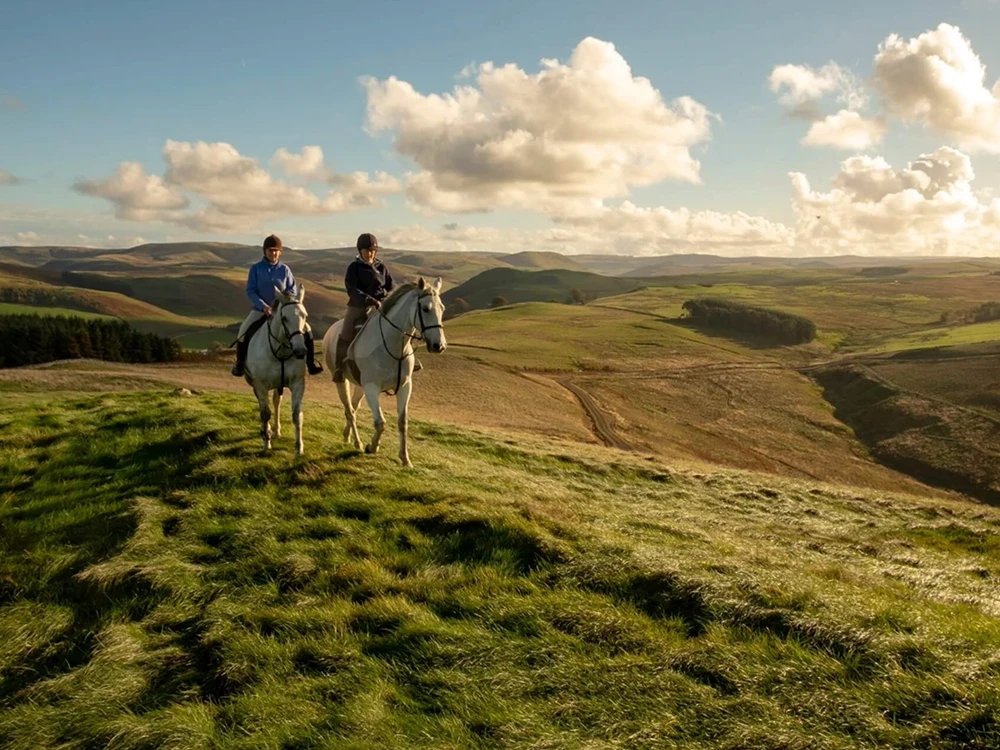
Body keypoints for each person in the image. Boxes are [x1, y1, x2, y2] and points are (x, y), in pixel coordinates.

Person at [231, 234, 323, 377]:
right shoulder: (256, 269)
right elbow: (251, 291)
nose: (273, 253)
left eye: (276, 250)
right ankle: (240, 363)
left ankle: (311, 363)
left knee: (307, 330)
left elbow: (292, 289)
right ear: (265, 251)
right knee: (243, 330)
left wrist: (285, 297)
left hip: (283, 310)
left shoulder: (285, 269)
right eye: (270, 250)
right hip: (261, 310)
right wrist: (263, 306)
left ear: (280, 252)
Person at [332, 232, 396, 383]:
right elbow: (352, 289)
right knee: (346, 332)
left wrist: (387, 298)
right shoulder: (354, 268)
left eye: (373, 251)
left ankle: (405, 361)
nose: (370, 253)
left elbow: (392, 286)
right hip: (358, 306)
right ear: (360, 251)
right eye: (367, 251)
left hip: (381, 305)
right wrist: (368, 299)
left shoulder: (382, 267)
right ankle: (339, 368)